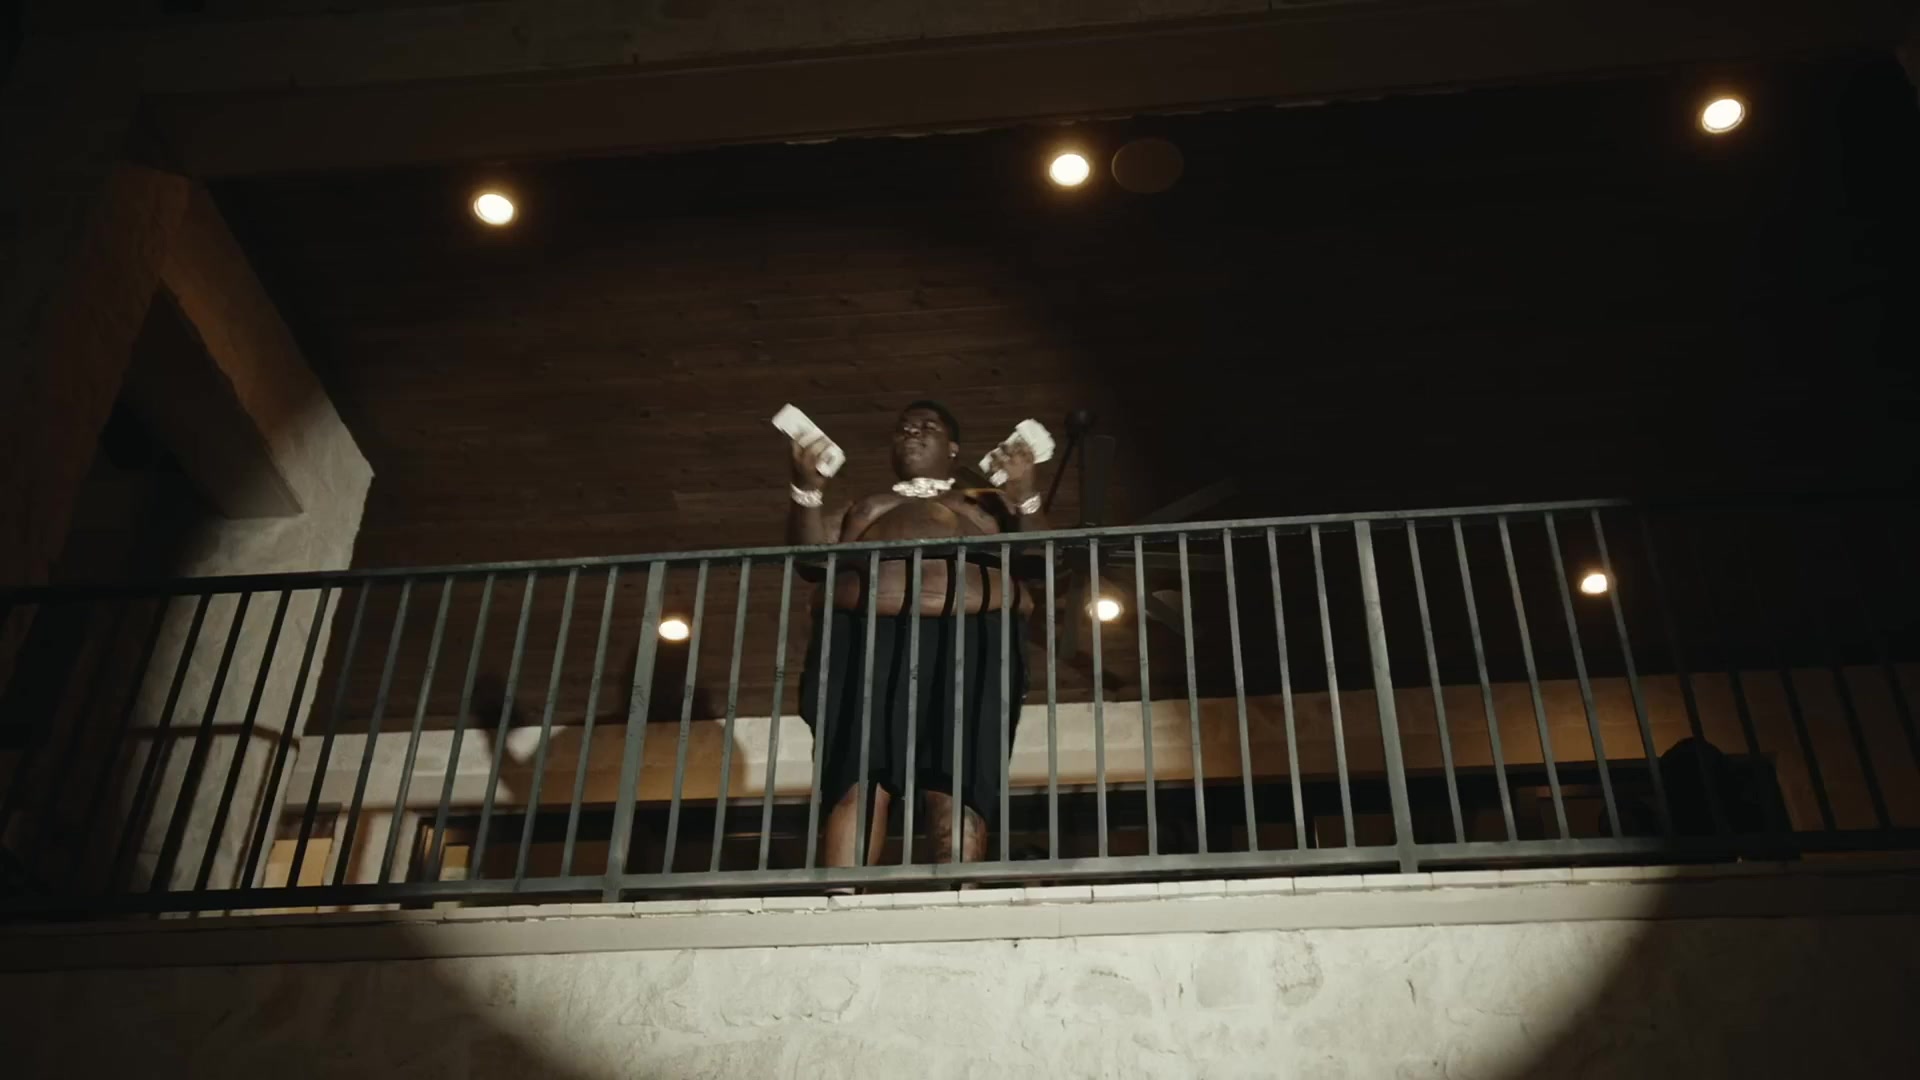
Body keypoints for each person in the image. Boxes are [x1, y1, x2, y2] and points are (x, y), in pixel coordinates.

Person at [785, 401, 1047, 868]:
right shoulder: (864, 506)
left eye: (928, 426)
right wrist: (807, 489)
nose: (912, 431)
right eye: (903, 427)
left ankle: (957, 894)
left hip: (972, 638)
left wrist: (1026, 494)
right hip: (866, 638)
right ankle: (841, 896)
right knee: (857, 773)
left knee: (958, 776)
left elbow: (1042, 559)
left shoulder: (986, 506)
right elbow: (810, 559)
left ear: (953, 448)